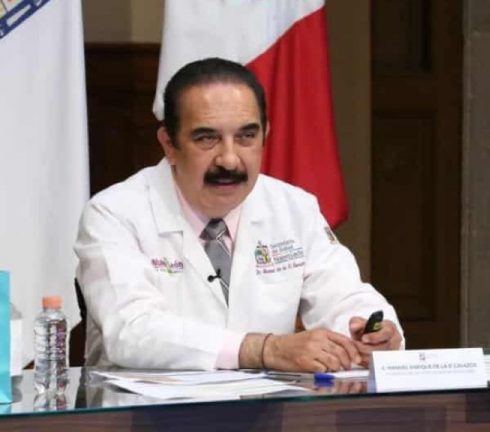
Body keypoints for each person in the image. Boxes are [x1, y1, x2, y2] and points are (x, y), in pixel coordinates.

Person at [74, 58, 404, 372]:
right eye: (207, 138)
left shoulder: (294, 208)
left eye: (246, 137)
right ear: (169, 144)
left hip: (265, 406)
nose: (229, 160)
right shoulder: (115, 213)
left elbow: (343, 295)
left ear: (265, 135)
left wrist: (372, 332)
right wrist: (262, 350)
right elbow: (130, 331)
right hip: (143, 408)